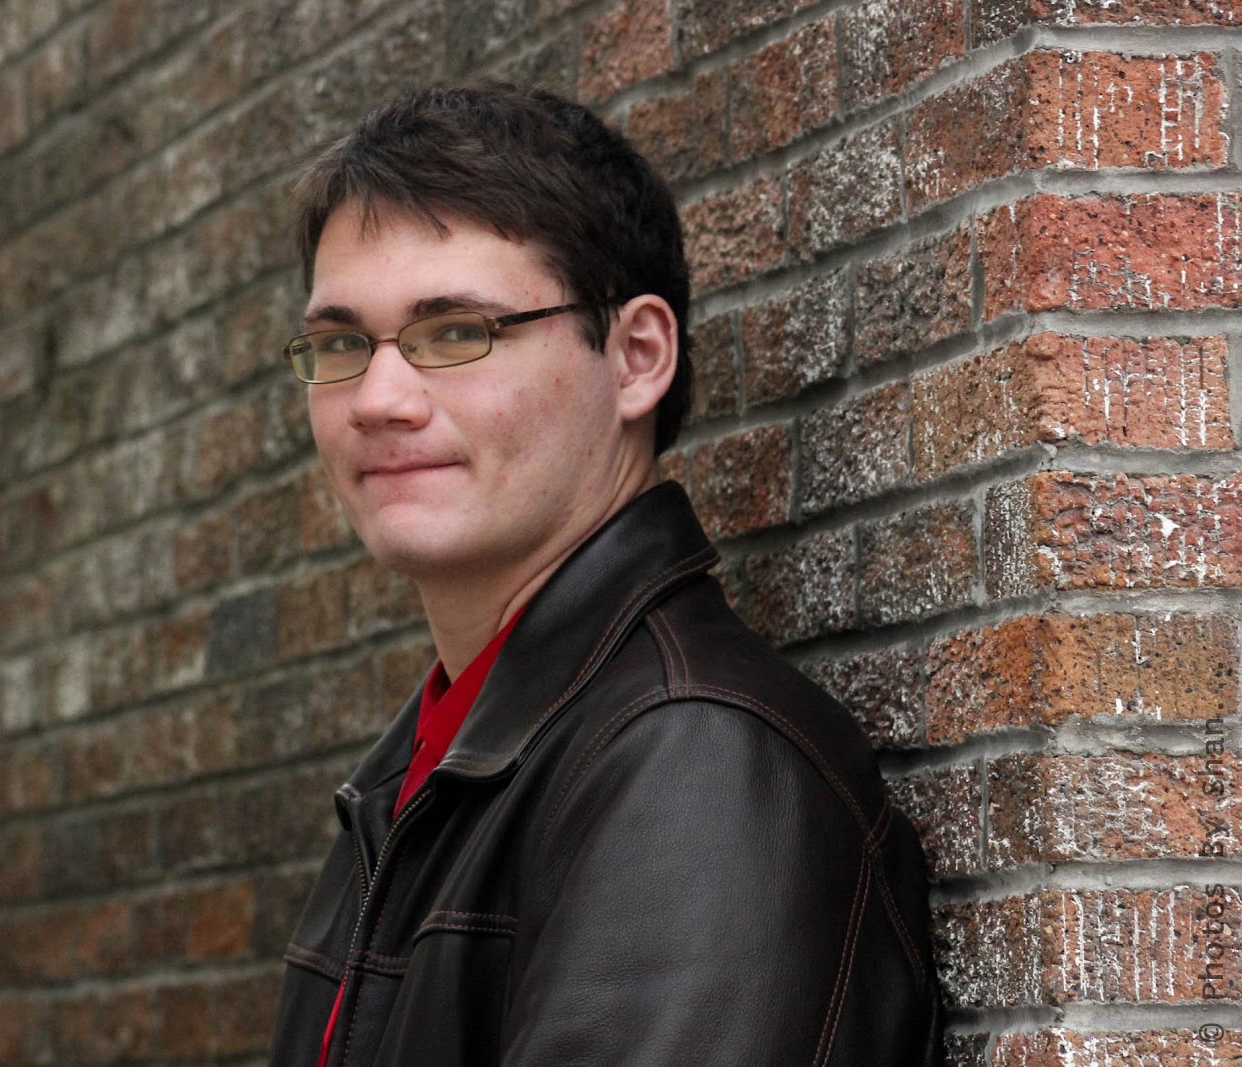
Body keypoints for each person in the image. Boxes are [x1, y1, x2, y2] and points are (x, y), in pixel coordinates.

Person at [267, 82, 942, 1066]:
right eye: (339, 343)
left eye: (455, 332)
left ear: (635, 357)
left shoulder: (697, 764)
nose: (377, 398)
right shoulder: (419, 772)